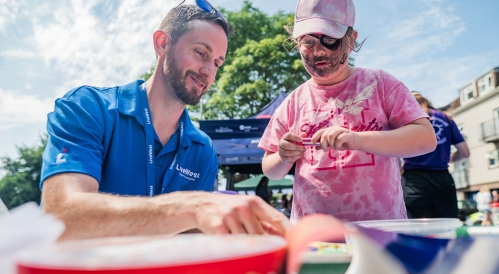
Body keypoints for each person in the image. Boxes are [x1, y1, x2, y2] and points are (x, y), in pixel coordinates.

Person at [40, 2, 290, 240]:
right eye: (201, 53)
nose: (208, 71)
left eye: (217, 63)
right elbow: (61, 218)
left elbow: (190, 238)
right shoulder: (88, 107)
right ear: (162, 43)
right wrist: (194, 207)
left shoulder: (202, 150)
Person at [259, 0, 436, 223]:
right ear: (297, 44)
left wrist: (358, 139)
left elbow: (426, 139)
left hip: (380, 232)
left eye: (330, 40)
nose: (319, 51)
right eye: (308, 42)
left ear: (351, 41)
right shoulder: (293, 102)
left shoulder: (381, 84)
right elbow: (270, 169)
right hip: (314, 238)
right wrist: (283, 158)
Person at [401, 92, 470, 218]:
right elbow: (465, 153)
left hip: (414, 179)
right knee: (447, 225)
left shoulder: (404, 118)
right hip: (442, 178)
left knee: (417, 228)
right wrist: (444, 158)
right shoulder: (445, 118)